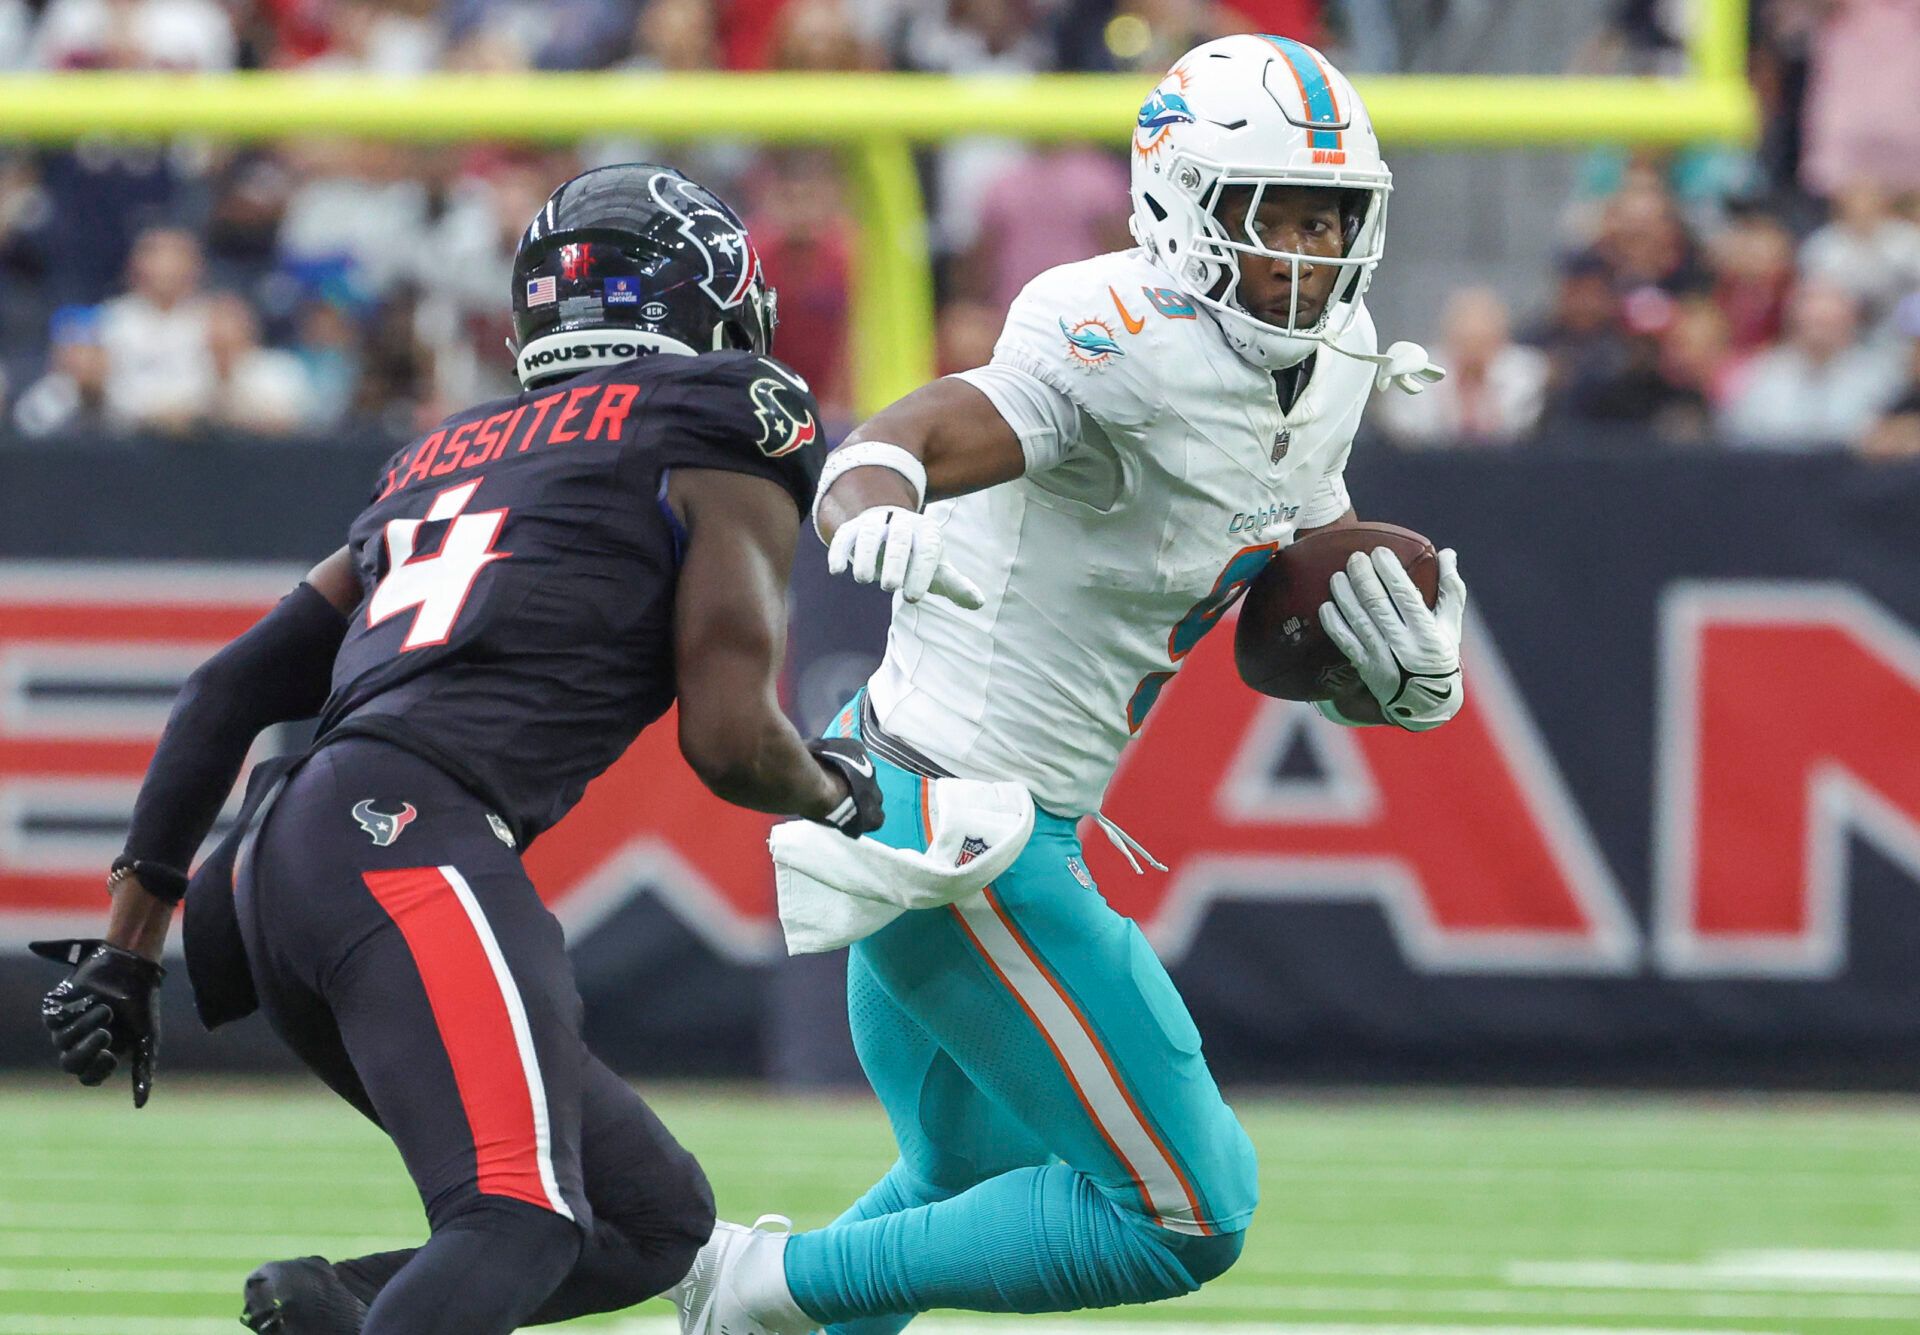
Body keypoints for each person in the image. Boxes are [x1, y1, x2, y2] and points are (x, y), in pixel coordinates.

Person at [674, 35, 1468, 1335]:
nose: (1312, 253)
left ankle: (769, 1309)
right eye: (1279, 216)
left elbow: (1271, 597)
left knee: (962, 1180)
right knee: (1184, 1210)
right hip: (955, 826)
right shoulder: (1116, 331)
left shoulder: (1335, 356)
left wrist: (1368, 676)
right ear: (1183, 207)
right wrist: (869, 489)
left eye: (1336, 218)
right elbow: (921, 426)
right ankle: (762, 1282)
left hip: (966, 807)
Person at [30, 163, 883, 1335]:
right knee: (517, 1218)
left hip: (279, 868)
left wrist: (129, 956)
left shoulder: (446, 452)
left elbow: (224, 691)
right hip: (408, 845)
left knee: (651, 1223)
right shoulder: (728, 411)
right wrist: (853, 799)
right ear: (702, 298)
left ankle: (331, 1312)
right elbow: (732, 739)